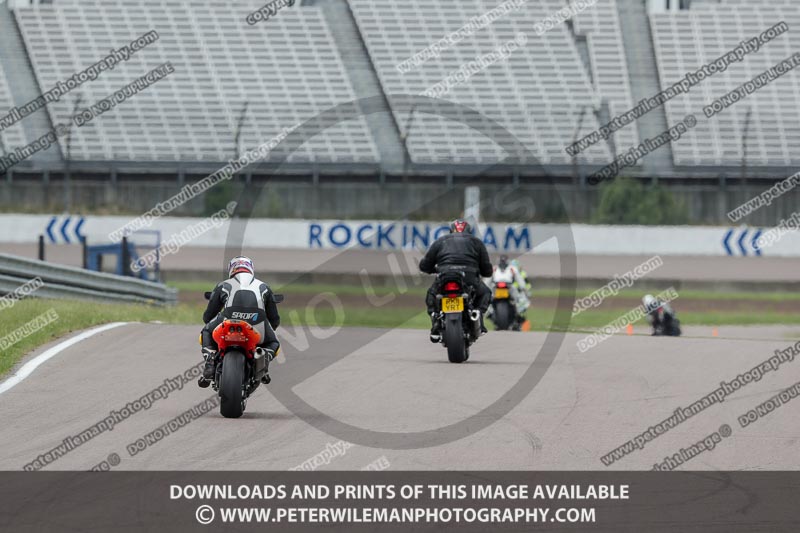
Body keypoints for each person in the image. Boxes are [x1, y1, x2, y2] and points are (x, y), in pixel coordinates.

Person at [198, 256, 281, 388]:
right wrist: (270, 329)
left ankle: (210, 361)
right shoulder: (264, 287)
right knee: (274, 343)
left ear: (231, 269)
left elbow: (208, 316)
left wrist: (210, 323)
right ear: (251, 269)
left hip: (228, 321)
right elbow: (274, 319)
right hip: (257, 324)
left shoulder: (223, 285)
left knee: (206, 331)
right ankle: (263, 359)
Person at [419, 219, 493, 341]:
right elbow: (487, 270)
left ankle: (435, 319)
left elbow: (424, 266)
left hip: (445, 275)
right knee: (486, 292)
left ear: (451, 230)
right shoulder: (477, 242)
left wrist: (434, 269)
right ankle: (478, 315)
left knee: (431, 294)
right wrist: (479, 270)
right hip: (469, 277)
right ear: (469, 231)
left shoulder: (440, 241)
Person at [490, 255, 530, 319]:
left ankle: (518, 310)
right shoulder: (495, 268)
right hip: (498, 286)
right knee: (488, 298)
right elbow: (488, 279)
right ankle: (490, 310)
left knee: (518, 298)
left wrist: (523, 288)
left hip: (507, 286)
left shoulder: (511, 268)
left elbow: (519, 279)